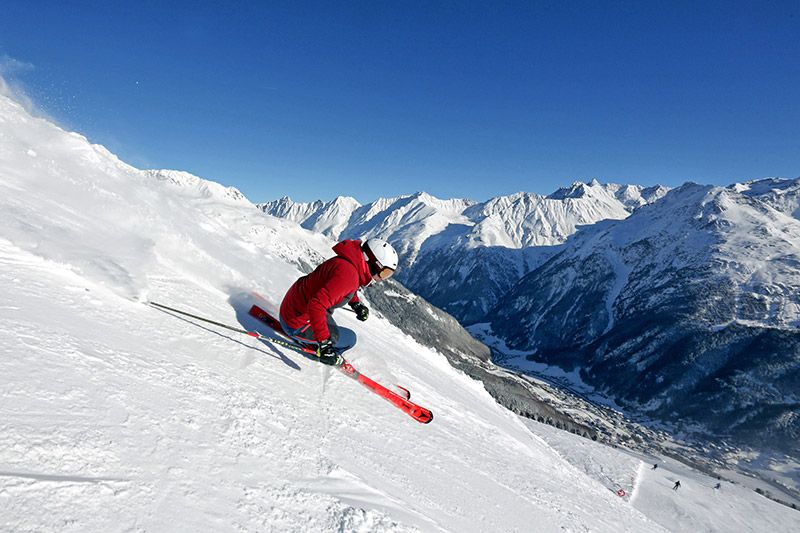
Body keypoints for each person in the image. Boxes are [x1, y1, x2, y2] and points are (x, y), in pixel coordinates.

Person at [279, 238, 399, 366]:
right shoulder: (349, 276)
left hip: (293, 307)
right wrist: (325, 344)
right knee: (350, 339)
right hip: (296, 323)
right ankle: (318, 351)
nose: (382, 278)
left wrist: (356, 304)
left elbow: (340, 287)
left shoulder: (348, 265)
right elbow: (316, 305)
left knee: (332, 326)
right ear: (374, 263)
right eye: (384, 273)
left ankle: (316, 341)